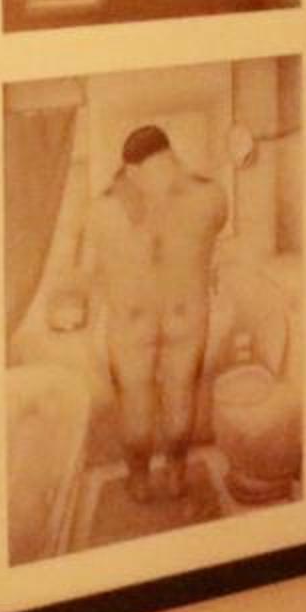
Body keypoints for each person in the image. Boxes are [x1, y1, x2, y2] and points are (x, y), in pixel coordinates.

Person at [47, 123, 231, 504]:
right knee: (182, 397)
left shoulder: (101, 210)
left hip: (132, 323)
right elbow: (211, 232)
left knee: (135, 405)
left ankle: (139, 481)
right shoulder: (211, 197)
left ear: (128, 168)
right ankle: (176, 475)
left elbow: (84, 274)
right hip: (186, 317)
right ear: (170, 154)